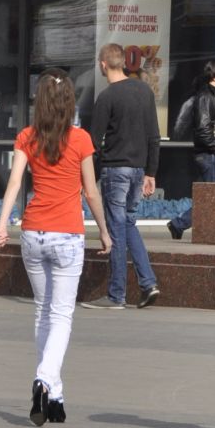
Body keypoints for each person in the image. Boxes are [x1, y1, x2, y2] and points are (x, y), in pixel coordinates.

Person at [0, 70, 113, 425]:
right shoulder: (81, 140)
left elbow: (15, 182)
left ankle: (55, 397)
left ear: (39, 102)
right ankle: (44, 380)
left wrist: (2, 224)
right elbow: (91, 192)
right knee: (60, 316)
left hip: (33, 233)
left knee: (43, 312)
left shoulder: (27, 137)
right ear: (70, 102)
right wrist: (104, 231)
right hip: (67, 235)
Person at [81, 41, 161, 310]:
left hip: (115, 169)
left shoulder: (107, 97)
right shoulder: (144, 91)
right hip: (139, 169)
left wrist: (88, 174)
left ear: (103, 64)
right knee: (127, 224)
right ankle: (148, 283)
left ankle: (116, 295)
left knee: (115, 229)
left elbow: (94, 141)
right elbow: (154, 136)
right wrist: (151, 172)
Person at [167, 58, 215, 239]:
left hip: (211, 155)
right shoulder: (206, 97)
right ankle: (180, 224)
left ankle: (179, 224)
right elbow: (203, 129)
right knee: (214, 197)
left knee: (211, 196)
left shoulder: (211, 97)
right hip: (211, 155)